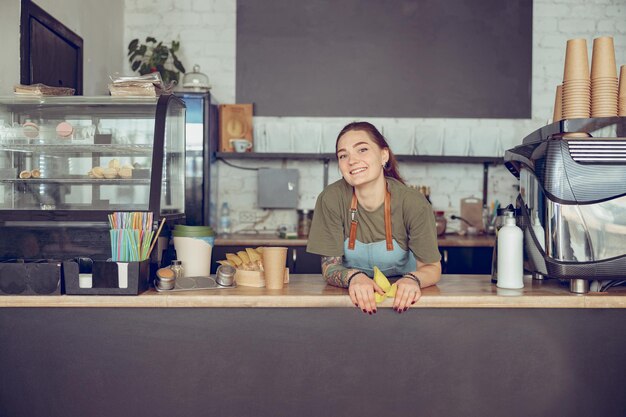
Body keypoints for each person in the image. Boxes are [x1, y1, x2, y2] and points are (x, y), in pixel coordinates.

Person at [306, 122, 441, 314]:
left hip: (405, 301)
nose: (352, 160)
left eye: (362, 149)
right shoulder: (331, 199)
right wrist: (354, 277)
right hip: (351, 301)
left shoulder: (413, 203)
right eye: (343, 155)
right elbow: (330, 267)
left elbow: (431, 268)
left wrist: (413, 280)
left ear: (383, 155)